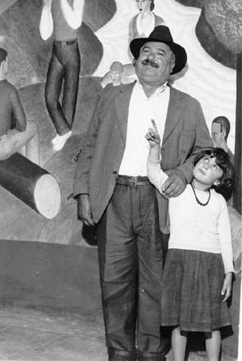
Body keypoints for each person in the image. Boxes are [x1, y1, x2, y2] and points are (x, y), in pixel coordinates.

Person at [73, 25, 212, 361]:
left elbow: (205, 151)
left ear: (172, 66)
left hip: (159, 202)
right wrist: (83, 193)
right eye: (145, 52)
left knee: (156, 283)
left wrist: (180, 172)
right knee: (114, 281)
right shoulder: (111, 97)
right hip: (114, 198)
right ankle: (119, 352)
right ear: (136, 60)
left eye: (159, 54)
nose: (150, 58)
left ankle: (152, 353)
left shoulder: (188, 106)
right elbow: (89, 145)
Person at [146, 121, 234, 361]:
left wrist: (228, 272)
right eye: (206, 159)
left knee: (211, 324)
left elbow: (225, 238)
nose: (208, 164)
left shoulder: (217, 202)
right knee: (179, 322)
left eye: (216, 166)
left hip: (210, 265)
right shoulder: (178, 190)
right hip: (179, 262)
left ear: (218, 181)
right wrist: (155, 148)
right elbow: (154, 173)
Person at [39, 0, 85, 151]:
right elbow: (45, 33)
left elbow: (74, 23)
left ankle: (63, 133)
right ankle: (64, 131)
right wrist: (46, 7)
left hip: (72, 51)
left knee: (69, 98)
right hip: (57, 51)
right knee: (50, 97)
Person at [0, 48, 40, 164]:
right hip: (1, 149)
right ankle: (34, 170)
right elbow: (22, 126)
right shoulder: (10, 90)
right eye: (7, 61)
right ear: (3, 63)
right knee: (33, 128)